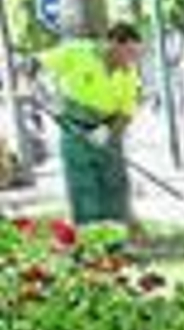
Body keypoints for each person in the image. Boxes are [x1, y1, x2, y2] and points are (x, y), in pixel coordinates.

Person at [38, 22, 143, 229]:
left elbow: (126, 112)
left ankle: (114, 238)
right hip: (74, 129)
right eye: (129, 52)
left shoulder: (129, 73)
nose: (133, 59)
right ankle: (89, 237)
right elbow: (35, 64)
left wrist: (107, 132)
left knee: (114, 186)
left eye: (136, 53)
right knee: (83, 186)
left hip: (107, 132)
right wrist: (45, 95)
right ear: (113, 44)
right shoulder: (77, 52)